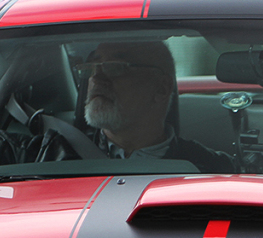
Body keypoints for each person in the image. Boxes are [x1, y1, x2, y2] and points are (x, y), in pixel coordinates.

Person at [77, 40, 234, 172]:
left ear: (162, 88)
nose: (96, 78)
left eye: (116, 66)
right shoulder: (61, 152)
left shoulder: (209, 169)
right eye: (92, 67)